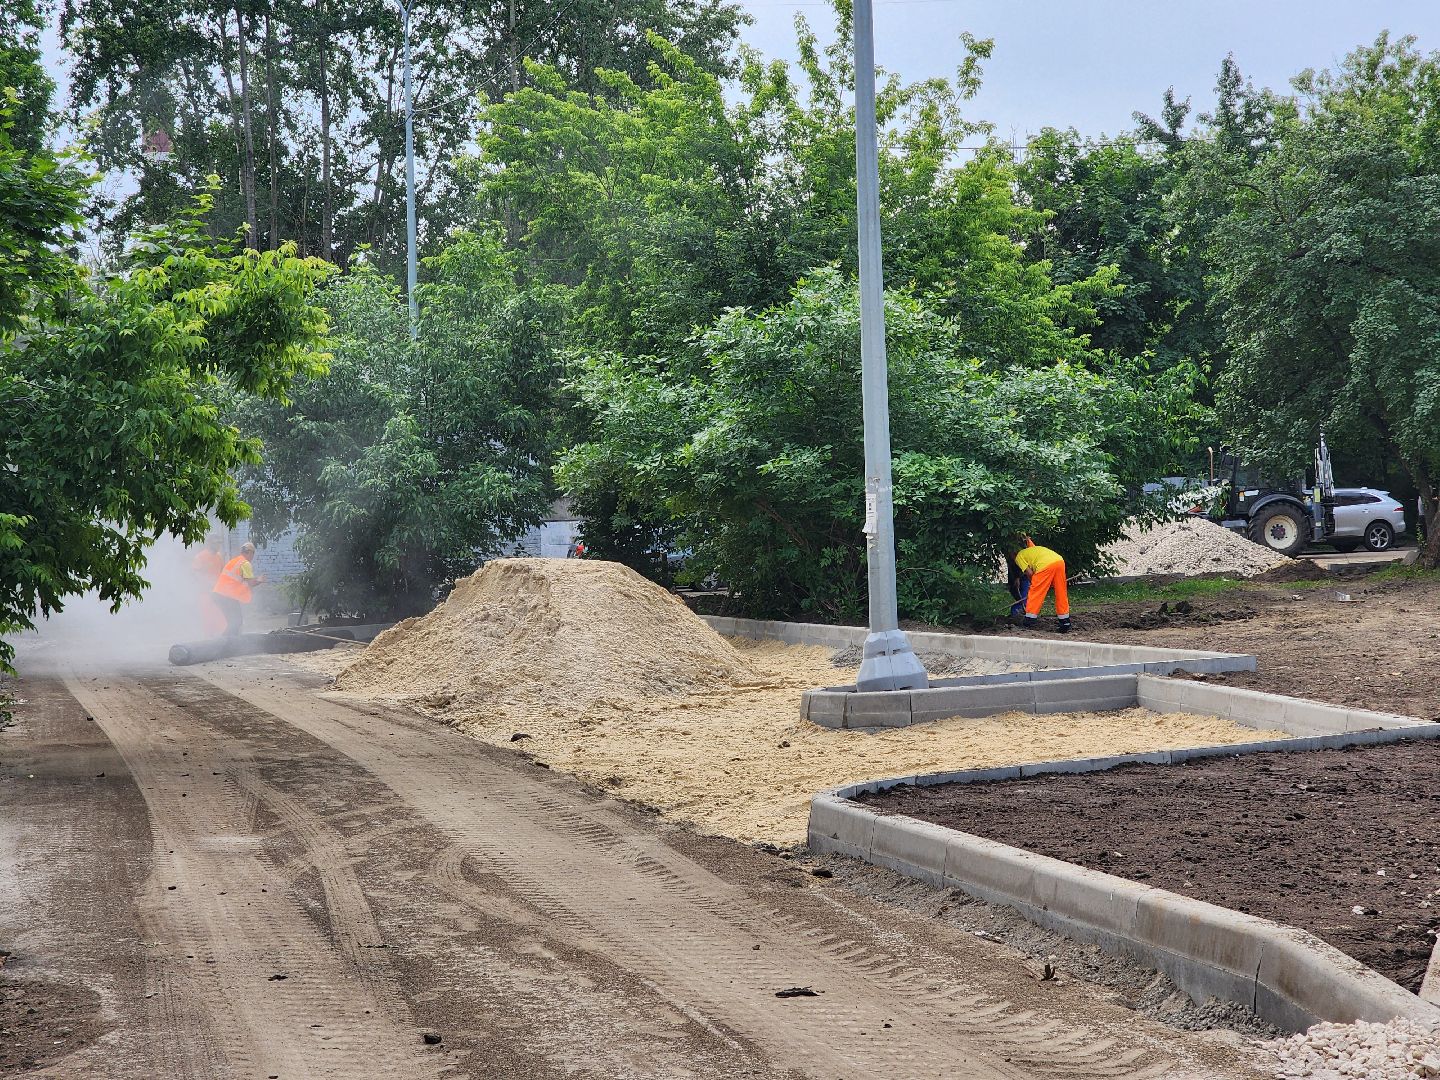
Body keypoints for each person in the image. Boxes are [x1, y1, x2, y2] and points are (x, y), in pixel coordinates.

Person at [1013, 538, 1071, 633]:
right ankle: (1065, 621)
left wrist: (1035, 583)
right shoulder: (1034, 549)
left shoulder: (1019, 556)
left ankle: (1029, 620)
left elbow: (1030, 573)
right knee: (1061, 592)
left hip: (1045, 565)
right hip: (1059, 561)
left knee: (1035, 592)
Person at [211, 542, 266, 638]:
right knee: (236, 621)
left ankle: (230, 643)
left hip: (219, 594)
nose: (253, 556)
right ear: (249, 552)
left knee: (234, 622)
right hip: (226, 596)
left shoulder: (234, 561)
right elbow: (251, 583)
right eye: (253, 553)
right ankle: (223, 642)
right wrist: (259, 580)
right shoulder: (245, 563)